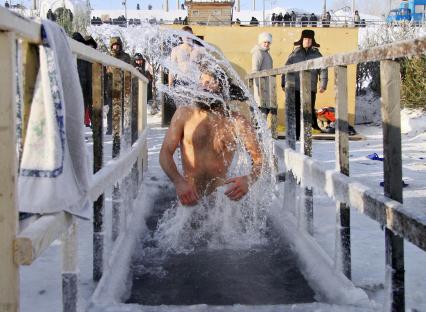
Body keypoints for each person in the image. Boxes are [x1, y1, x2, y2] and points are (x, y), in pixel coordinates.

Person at [159, 67, 263, 205]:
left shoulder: (237, 122)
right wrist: (178, 182)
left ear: (223, 86)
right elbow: (165, 153)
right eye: (201, 82)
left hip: (221, 204)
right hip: (188, 198)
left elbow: (260, 160)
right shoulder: (184, 115)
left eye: (209, 82)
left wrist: (249, 179)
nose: (203, 86)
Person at [281, 30, 328, 140]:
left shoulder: (317, 55)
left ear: (313, 41)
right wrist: (284, 83)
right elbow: (286, 69)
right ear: (302, 40)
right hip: (296, 88)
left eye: (310, 39)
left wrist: (323, 84)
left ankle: (306, 135)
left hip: (310, 88)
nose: (307, 41)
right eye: (305, 39)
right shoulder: (294, 54)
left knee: (308, 112)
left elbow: (323, 69)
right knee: (296, 111)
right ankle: (297, 135)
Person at [251, 32, 277, 137]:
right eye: (264, 42)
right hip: (261, 86)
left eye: (268, 42)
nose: (266, 44)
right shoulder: (258, 52)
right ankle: (257, 133)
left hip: (267, 86)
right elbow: (255, 69)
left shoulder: (265, 53)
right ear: (261, 42)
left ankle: (260, 133)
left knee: (265, 109)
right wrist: (257, 87)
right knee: (261, 109)